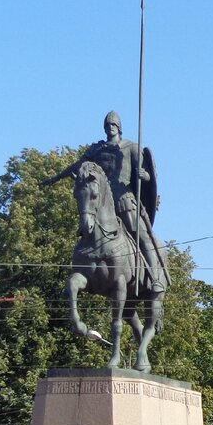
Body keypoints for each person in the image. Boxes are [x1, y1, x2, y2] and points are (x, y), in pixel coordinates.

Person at [45, 111, 169, 293]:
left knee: (142, 236)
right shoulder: (97, 150)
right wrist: (57, 177)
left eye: (113, 125)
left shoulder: (131, 147)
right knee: (85, 233)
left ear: (119, 127)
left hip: (124, 200)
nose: (110, 128)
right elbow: (78, 165)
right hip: (100, 200)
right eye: (107, 125)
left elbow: (146, 173)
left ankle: (155, 278)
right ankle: (78, 273)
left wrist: (146, 175)